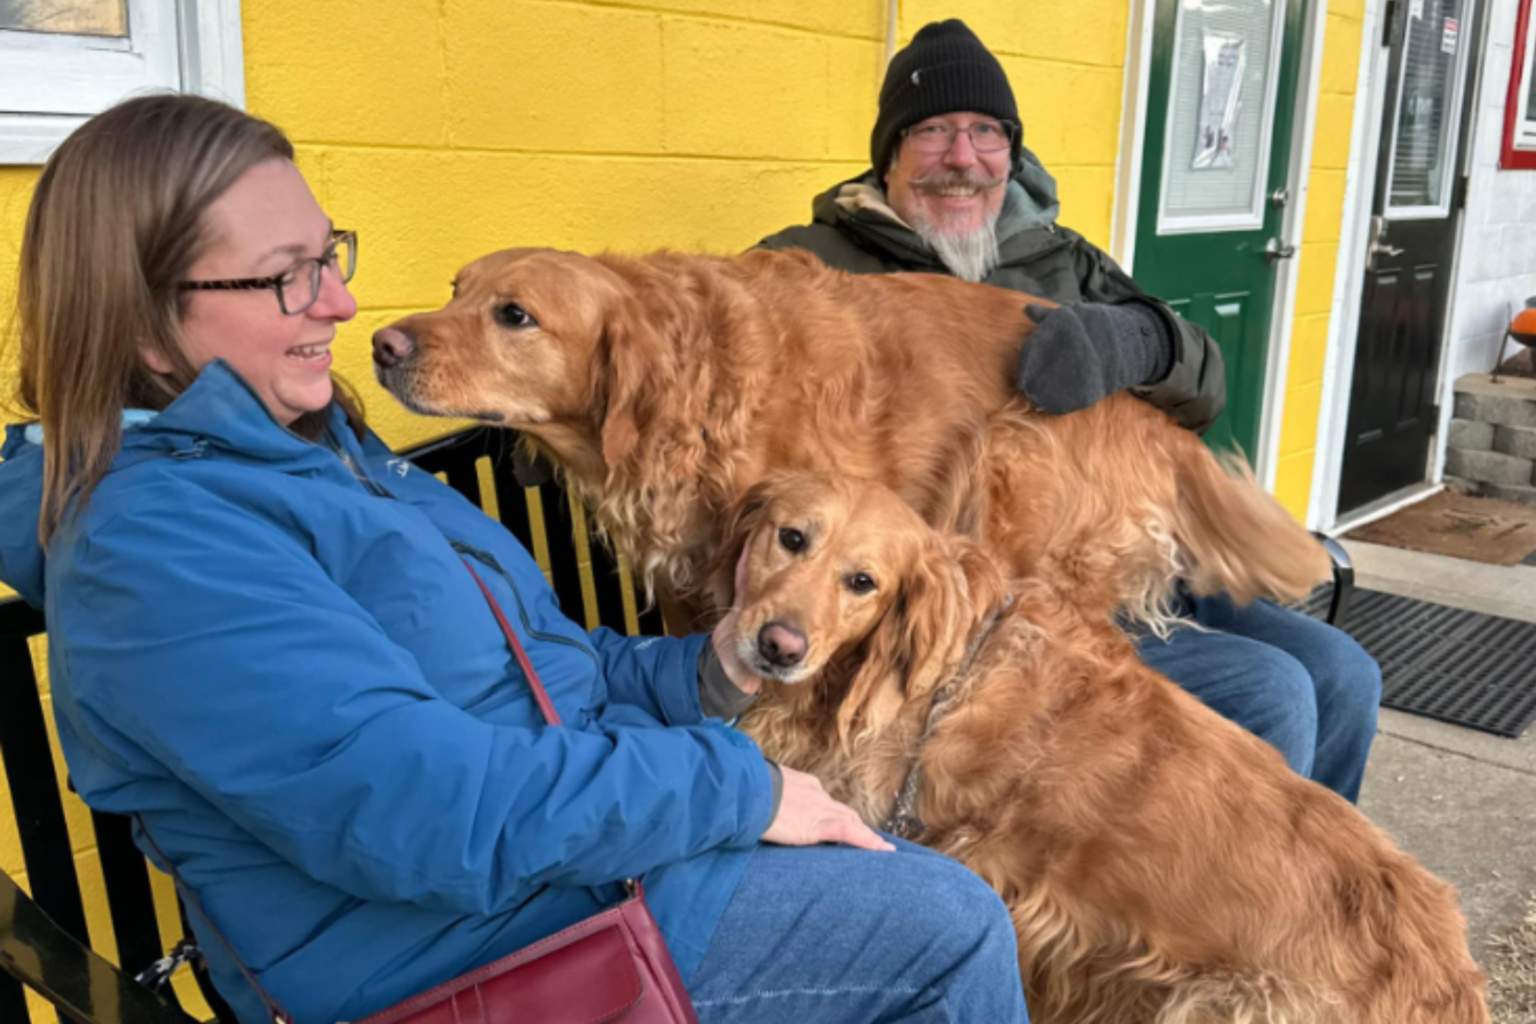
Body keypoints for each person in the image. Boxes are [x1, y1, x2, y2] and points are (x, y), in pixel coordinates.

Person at [0, 94, 1029, 1024]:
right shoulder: (153, 550)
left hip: (550, 867)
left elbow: (540, 663)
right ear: (145, 326)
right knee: (946, 923)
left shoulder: (314, 455)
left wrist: (703, 671)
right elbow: (430, 814)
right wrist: (739, 786)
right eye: (286, 277)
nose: (342, 306)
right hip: (465, 955)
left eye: (330, 255)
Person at [758, 19, 1382, 803]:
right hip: (989, 597)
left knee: (1344, 672)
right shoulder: (807, 268)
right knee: (1271, 691)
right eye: (933, 132)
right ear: (890, 152)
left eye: (987, 133)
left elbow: (1204, 383)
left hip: (1124, 560)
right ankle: (1231, 902)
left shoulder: (1060, 257)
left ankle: (1321, 891)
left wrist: (1141, 340)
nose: (962, 158)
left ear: (1011, 154)